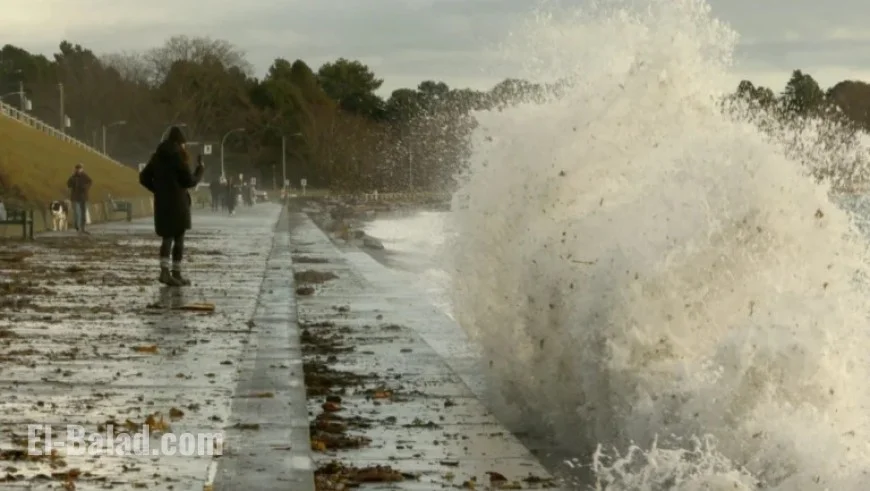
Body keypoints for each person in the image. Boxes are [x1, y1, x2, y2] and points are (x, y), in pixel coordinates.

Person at [138, 126, 205, 286]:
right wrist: (200, 170)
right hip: (178, 203)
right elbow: (189, 181)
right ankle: (176, 272)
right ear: (180, 143)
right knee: (178, 238)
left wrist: (157, 190)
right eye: (184, 144)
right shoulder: (178, 157)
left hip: (162, 202)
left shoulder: (157, 156)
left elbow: (143, 177)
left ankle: (165, 272)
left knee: (167, 237)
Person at [66, 163, 92, 234]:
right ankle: (78, 226)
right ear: (75, 169)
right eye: (77, 169)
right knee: (77, 213)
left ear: (82, 169)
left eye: (80, 169)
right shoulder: (73, 177)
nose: (78, 170)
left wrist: (85, 188)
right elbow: (68, 184)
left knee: (83, 213)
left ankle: (82, 227)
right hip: (75, 198)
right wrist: (71, 178)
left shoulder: (85, 176)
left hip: (83, 197)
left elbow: (90, 182)